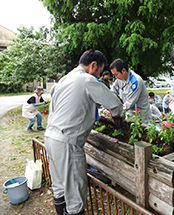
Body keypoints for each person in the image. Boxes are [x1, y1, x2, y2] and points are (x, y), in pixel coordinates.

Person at [44, 49, 123, 215]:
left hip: (51, 137)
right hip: (67, 142)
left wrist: (97, 119)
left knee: (59, 187)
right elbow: (115, 105)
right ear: (93, 65)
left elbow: (72, 108)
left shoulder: (65, 79)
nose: (99, 76)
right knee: (75, 195)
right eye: (100, 72)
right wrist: (116, 120)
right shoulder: (87, 79)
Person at [109, 59, 151, 124]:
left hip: (141, 115)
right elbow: (112, 92)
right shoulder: (119, 79)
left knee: (141, 132)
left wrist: (117, 110)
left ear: (123, 71)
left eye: (116, 74)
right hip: (129, 112)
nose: (116, 77)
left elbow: (130, 102)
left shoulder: (135, 81)